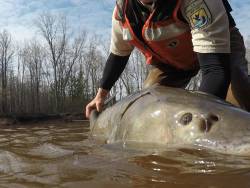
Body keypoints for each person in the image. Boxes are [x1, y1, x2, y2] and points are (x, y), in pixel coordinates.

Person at [85, 0, 250, 118]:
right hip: (173, 62)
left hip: (221, 50)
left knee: (237, 96)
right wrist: (100, 96)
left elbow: (215, 69)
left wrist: (198, 118)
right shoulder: (122, 14)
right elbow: (118, 55)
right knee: (149, 100)